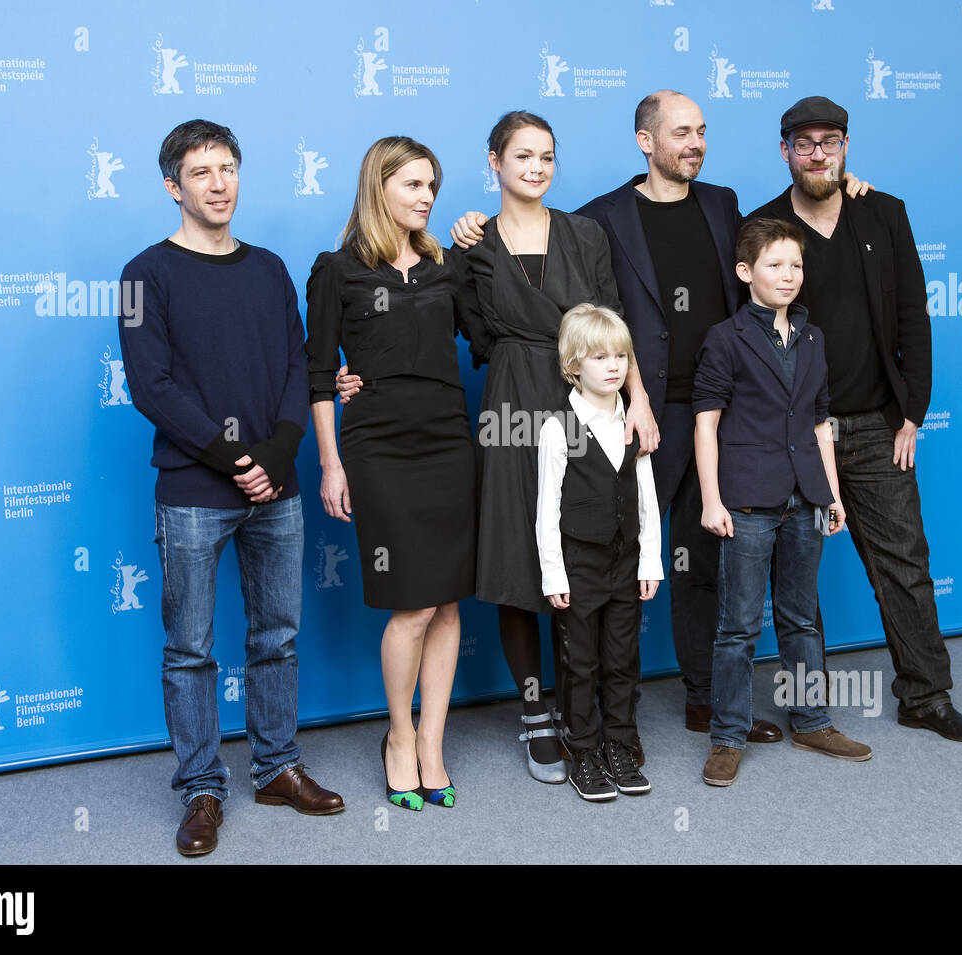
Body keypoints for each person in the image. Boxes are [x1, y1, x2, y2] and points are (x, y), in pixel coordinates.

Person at [453, 91, 868, 743]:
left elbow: (780, 245)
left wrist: (836, 188)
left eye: (702, 131)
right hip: (629, 409)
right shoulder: (601, 219)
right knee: (605, 551)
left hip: (720, 411)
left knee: (706, 555)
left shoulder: (723, 204)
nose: (696, 142)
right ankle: (581, 712)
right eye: (681, 132)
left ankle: (707, 699)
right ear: (646, 141)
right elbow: (507, 315)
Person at [341, 112, 625, 784]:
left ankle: (590, 715)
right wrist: (350, 373)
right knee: (517, 556)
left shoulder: (586, 234)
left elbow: (614, 324)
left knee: (584, 551)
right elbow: (439, 327)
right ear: (493, 161)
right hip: (510, 408)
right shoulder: (466, 247)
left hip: (588, 402)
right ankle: (536, 715)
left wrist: (635, 398)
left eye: (547, 156)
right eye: (522, 155)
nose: (535, 167)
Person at [119, 119, 344, 858]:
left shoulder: (271, 269)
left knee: (276, 637)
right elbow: (150, 385)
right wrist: (231, 456)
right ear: (172, 187)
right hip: (192, 490)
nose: (218, 183)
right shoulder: (142, 274)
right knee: (190, 648)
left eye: (228, 168)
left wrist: (277, 454)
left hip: (274, 487)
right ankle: (202, 788)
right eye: (202, 171)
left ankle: (277, 767)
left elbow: (296, 363)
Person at [747, 96, 962, 742]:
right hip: (796, 433)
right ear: (785, 152)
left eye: (830, 141)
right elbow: (748, 332)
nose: (819, 153)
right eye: (805, 143)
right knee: (796, 579)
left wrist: (912, 412)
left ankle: (926, 695)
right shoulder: (764, 225)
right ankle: (811, 712)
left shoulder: (883, 214)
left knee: (904, 565)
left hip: (878, 426)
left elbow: (913, 314)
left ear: (847, 146)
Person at [306, 136, 485, 811]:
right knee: (412, 603)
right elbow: (320, 374)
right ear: (378, 188)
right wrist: (330, 461)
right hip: (378, 447)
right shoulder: (337, 270)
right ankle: (399, 736)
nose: (427, 198)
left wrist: (482, 242)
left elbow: (490, 338)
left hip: (448, 441)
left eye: (432, 187)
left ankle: (433, 742)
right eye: (413, 185)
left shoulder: (447, 268)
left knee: (447, 601)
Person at [693, 218, 872, 787]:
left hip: (806, 499)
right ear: (746, 273)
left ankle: (812, 721)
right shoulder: (725, 337)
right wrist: (711, 500)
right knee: (739, 626)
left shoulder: (815, 338)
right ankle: (727, 735)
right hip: (745, 500)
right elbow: (706, 423)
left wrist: (832, 495)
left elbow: (821, 423)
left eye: (796, 265)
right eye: (775, 265)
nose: (789, 275)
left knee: (801, 618)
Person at [536, 304, 663, 801]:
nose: (612, 366)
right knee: (580, 662)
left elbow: (646, 499)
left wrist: (650, 560)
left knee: (621, 659)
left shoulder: (634, 423)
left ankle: (620, 744)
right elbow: (547, 509)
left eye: (620, 356)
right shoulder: (556, 427)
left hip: (626, 564)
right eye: (598, 357)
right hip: (578, 565)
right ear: (573, 365)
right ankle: (583, 748)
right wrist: (554, 575)